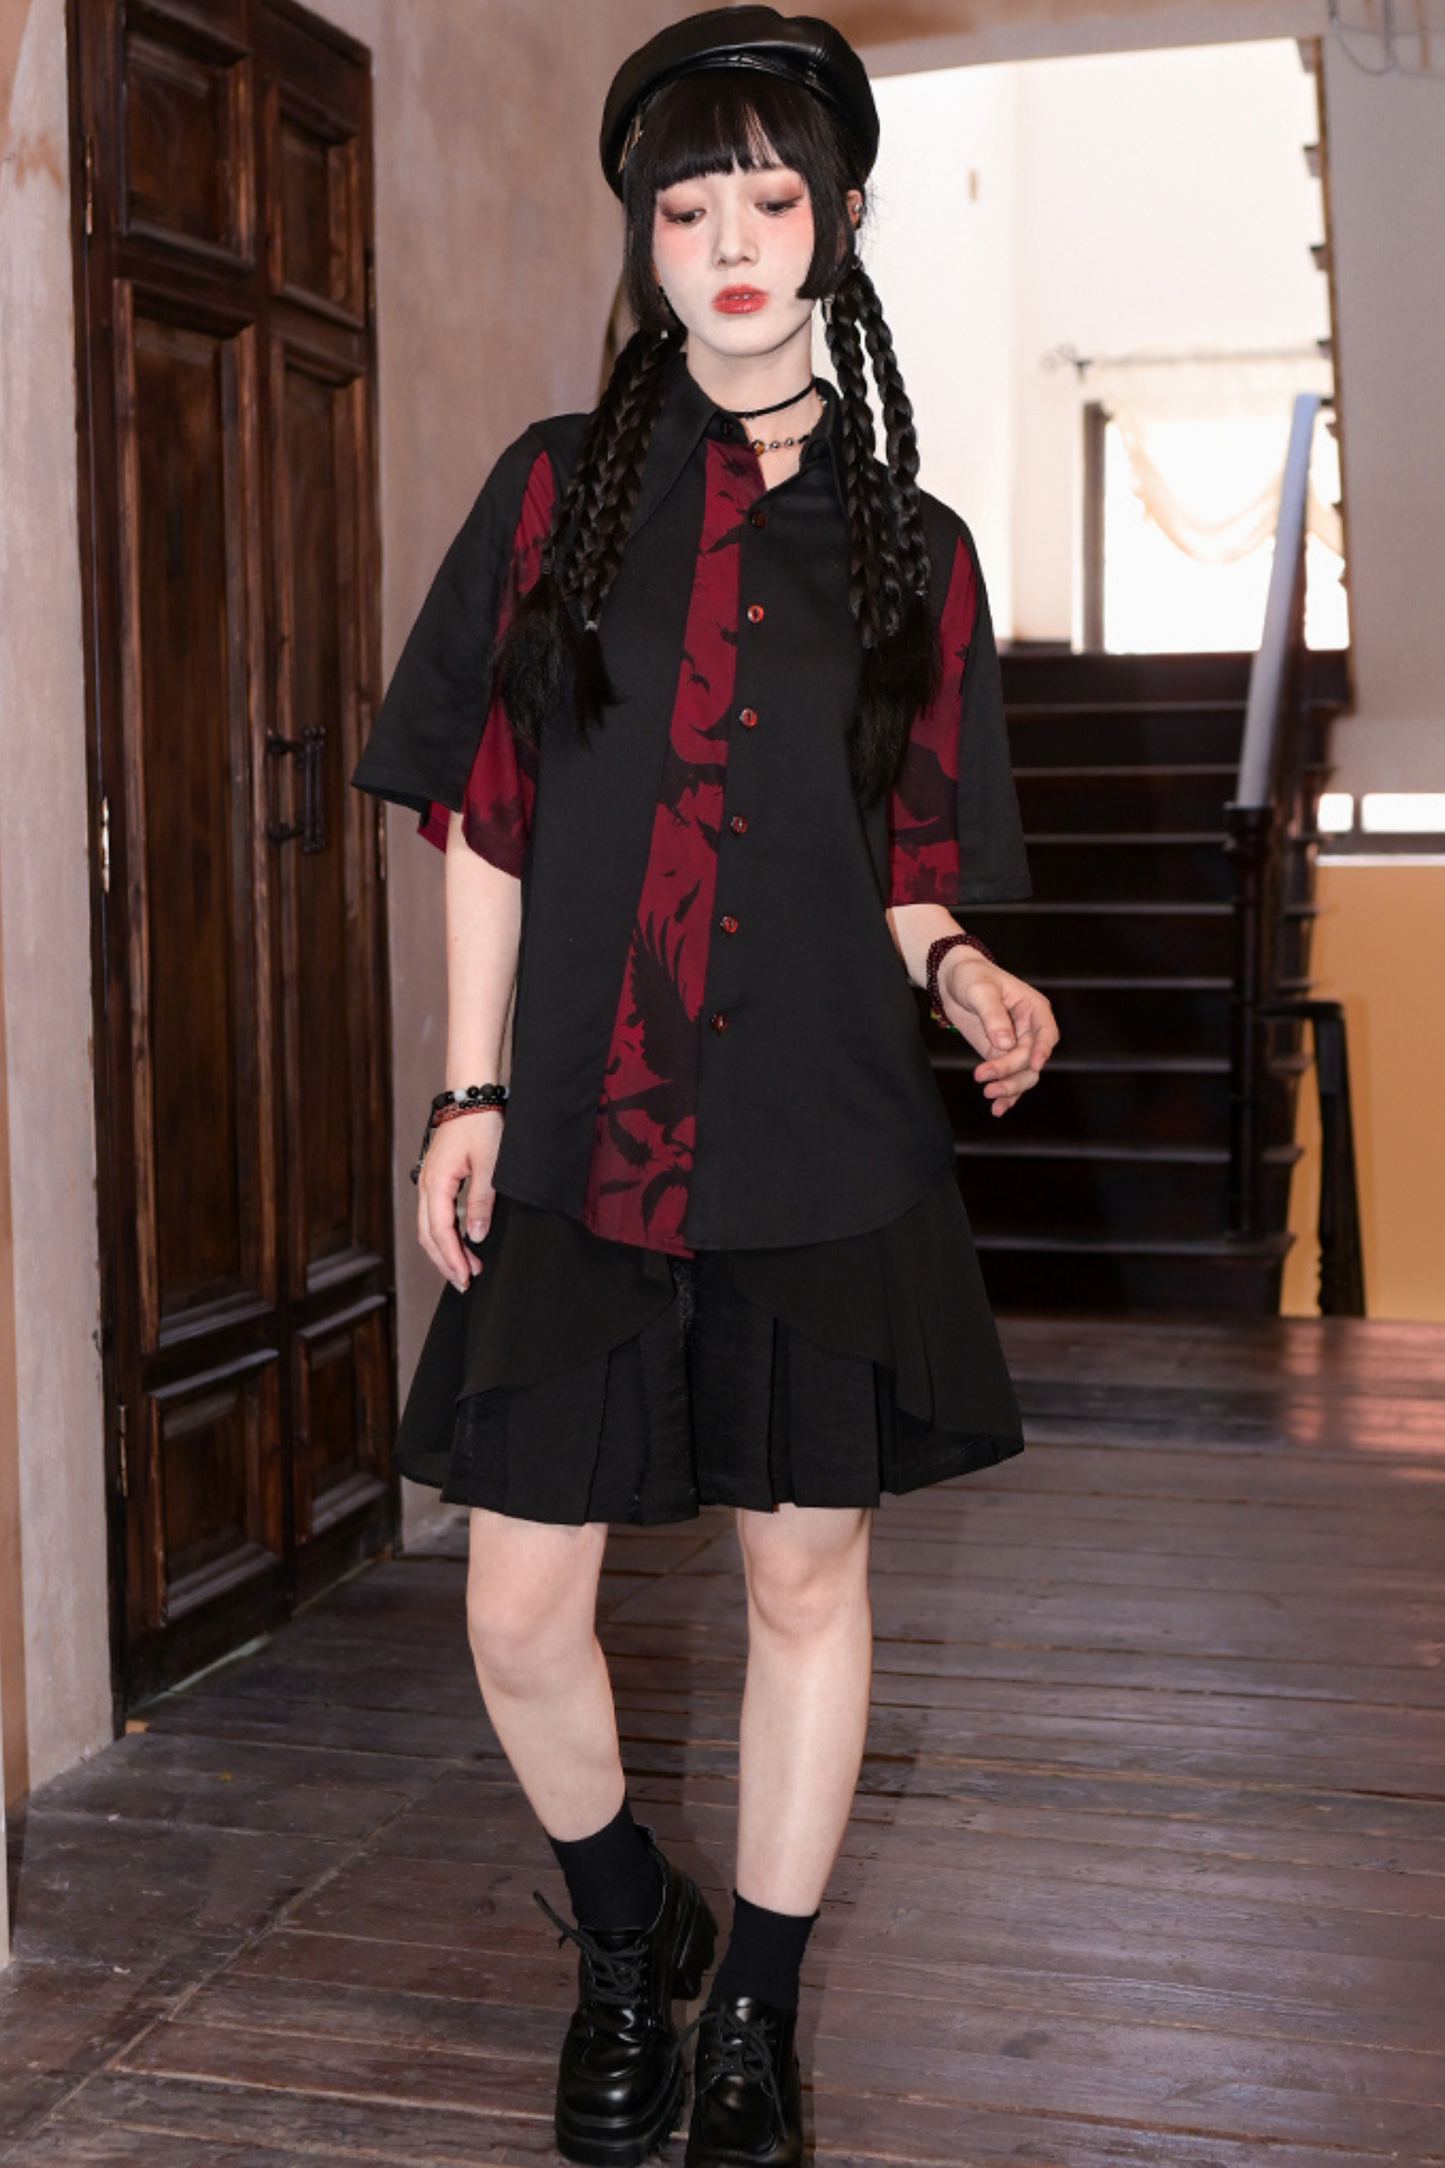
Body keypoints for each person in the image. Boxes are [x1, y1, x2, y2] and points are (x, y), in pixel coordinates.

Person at [353, 11, 1058, 2163]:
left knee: (801, 1584)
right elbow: (486, 820)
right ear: (643, 242)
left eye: (771, 199)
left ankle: (747, 2007)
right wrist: (464, 1096)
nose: (733, 242)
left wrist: (962, 966)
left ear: (836, 221)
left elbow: (905, 864)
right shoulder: (550, 494)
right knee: (515, 1604)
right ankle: (621, 1929)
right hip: (583, 1127)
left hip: (821, 1136)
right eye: (687, 207)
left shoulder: (917, 547)